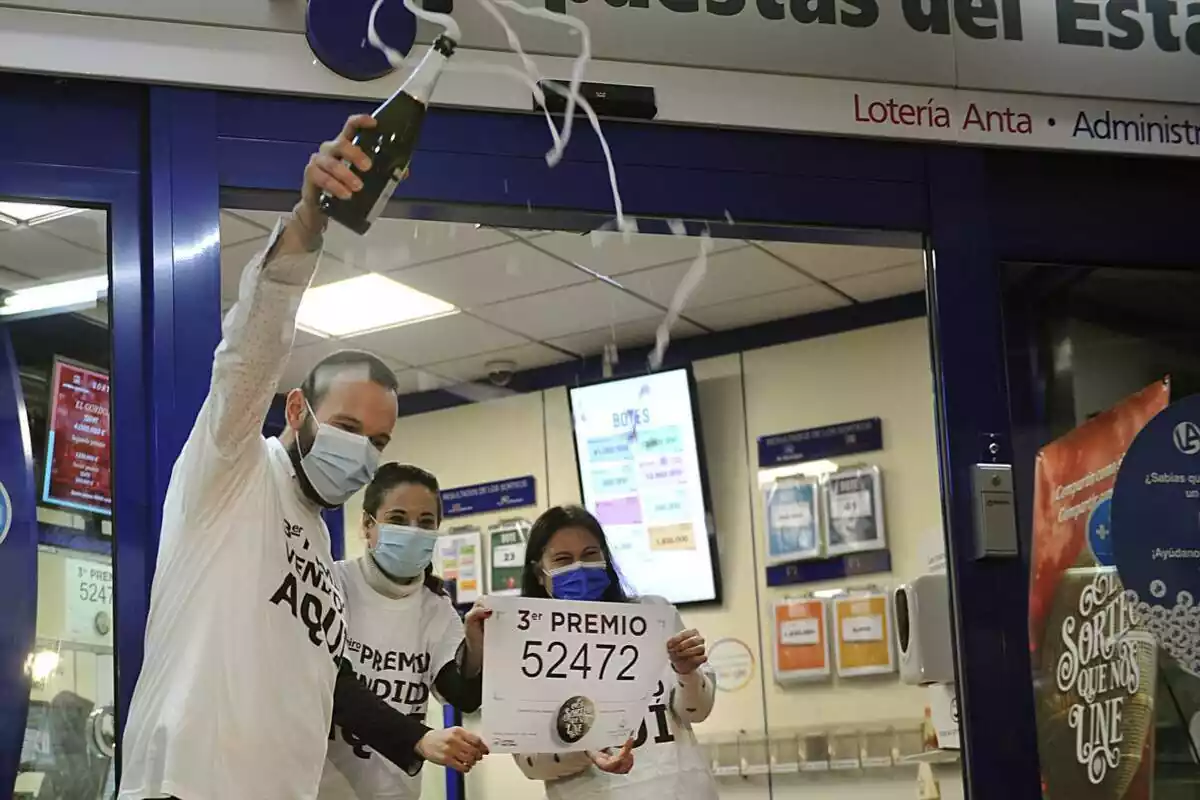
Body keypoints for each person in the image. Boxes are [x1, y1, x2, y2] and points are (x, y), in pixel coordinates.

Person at [117, 114, 487, 800]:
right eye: (347, 425)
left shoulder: (319, 543)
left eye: (379, 441)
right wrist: (308, 223)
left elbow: (320, 692)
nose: (363, 452)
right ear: (295, 410)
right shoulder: (234, 473)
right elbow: (248, 355)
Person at [512, 505, 720, 800]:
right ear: (539, 571)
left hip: (679, 789)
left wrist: (687, 672)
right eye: (562, 559)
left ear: (605, 558)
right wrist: (585, 749)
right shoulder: (525, 647)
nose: (579, 568)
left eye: (590, 555)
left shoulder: (652, 614)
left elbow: (697, 711)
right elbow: (530, 763)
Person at [320, 463, 492, 799]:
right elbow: (332, 686)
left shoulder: (436, 607)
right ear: (368, 526)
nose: (413, 531)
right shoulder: (333, 583)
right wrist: (420, 737)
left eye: (425, 522)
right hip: (322, 788)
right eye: (397, 519)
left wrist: (477, 646)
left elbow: (462, 694)